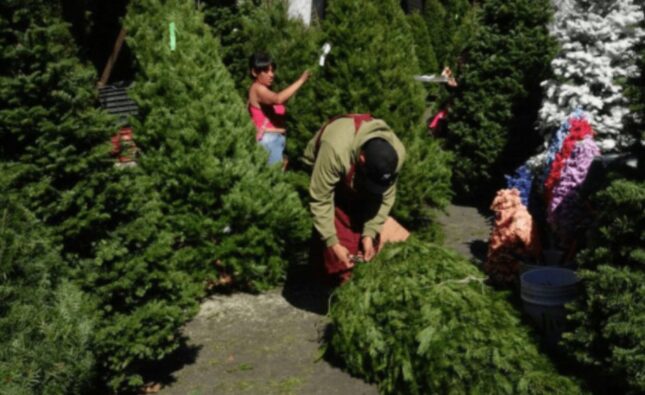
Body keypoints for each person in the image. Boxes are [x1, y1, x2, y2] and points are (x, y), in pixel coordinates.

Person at [303, 115, 406, 284]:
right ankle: (332, 277)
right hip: (326, 167)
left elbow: (385, 197)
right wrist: (333, 243)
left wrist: (369, 234)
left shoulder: (397, 155)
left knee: (363, 236)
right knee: (339, 236)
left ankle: (330, 268)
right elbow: (320, 198)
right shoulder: (335, 149)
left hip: (356, 173)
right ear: (362, 158)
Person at [247, 52, 309, 166]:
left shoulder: (265, 91)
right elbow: (278, 99)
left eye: (272, 70)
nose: (271, 74)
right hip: (269, 141)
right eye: (266, 71)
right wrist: (301, 80)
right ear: (254, 72)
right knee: (272, 181)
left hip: (274, 141)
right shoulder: (257, 89)